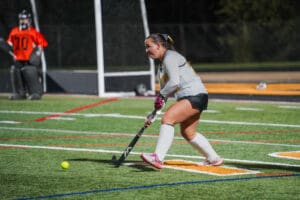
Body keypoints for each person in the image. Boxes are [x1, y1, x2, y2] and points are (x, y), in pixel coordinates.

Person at [140, 33, 224, 169]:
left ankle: (157, 157)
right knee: (188, 132)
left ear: (159, 45)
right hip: (195, 96)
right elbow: (165, 95)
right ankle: (214, 158)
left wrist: (161, 95)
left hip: (194, 95)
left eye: (148, 46)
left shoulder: (170, 57)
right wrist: (153, 114)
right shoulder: (161, 67)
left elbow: (173, 82)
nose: (146, 50)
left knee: (168, 119)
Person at [7, 10, 48, 100]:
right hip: (18, 58)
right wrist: (12, 54)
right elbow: (9, 45)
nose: (23, 21)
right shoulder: (14, 31)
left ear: (29, 20)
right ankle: (20, 93)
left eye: (25, 19)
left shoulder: (33, 32)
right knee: (15, 71)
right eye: (21, 19)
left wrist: (37, 54)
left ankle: (35, 92)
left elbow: (41, 44)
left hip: (29, 59)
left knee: (30, 72)